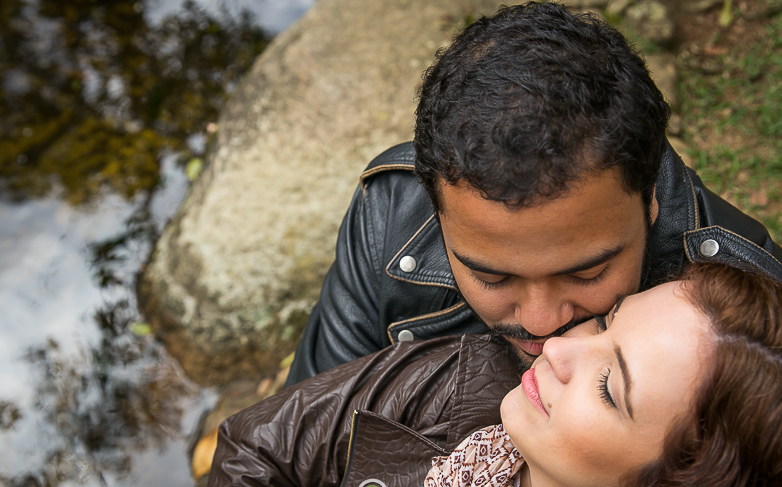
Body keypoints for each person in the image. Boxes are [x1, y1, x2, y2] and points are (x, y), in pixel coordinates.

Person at [285, 2, 782, 386]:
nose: (541, 321)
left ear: (649, 198)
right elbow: (300, 448)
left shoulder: (752, 313)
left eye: (587, 272)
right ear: (435, 212)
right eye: (491, 277)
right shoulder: (391, 210)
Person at [207, 262, 782, 487]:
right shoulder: (464, 377)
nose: (557, 349)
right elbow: (255, 449)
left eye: (609, 387)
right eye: (606, 323)